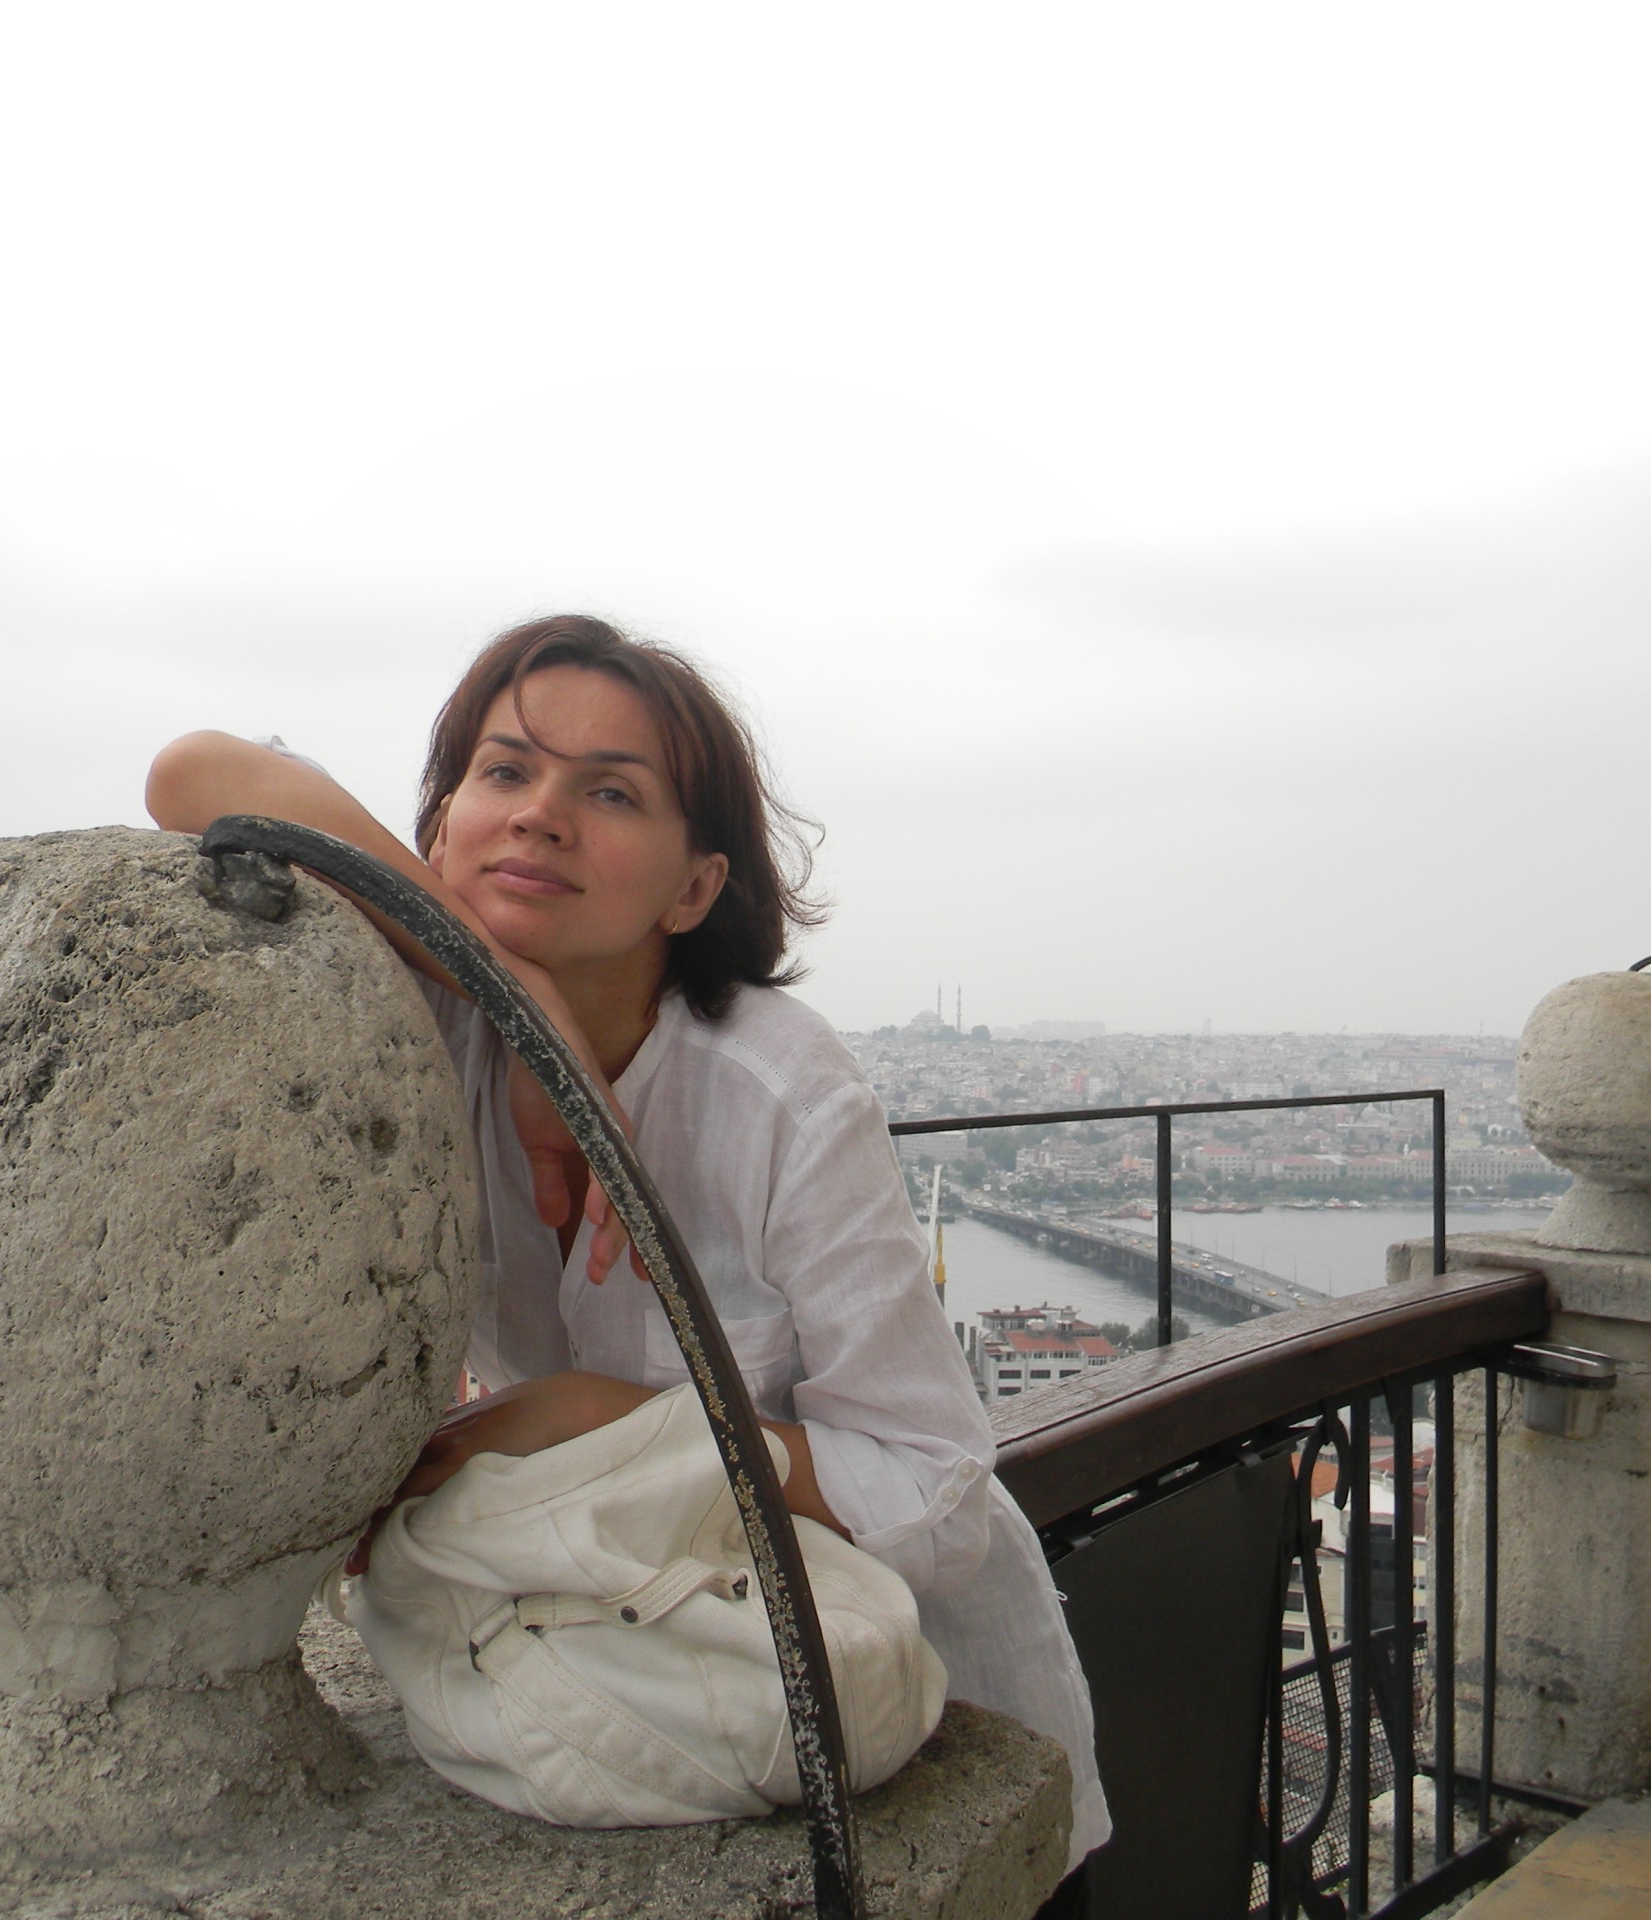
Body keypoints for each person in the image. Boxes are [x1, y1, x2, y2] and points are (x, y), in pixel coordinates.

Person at [145, 614, 1107, 1865]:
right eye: (504, 770)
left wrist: (596, 1417)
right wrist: (525, 1002)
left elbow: (933, 1495)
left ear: (694, 886)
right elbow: (193, 774)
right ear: (437, 830)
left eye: (609, 792)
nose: (540, 816)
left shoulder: (778, 1094)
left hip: (889, 1711)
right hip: (609, 1671)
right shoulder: (425, 1029)